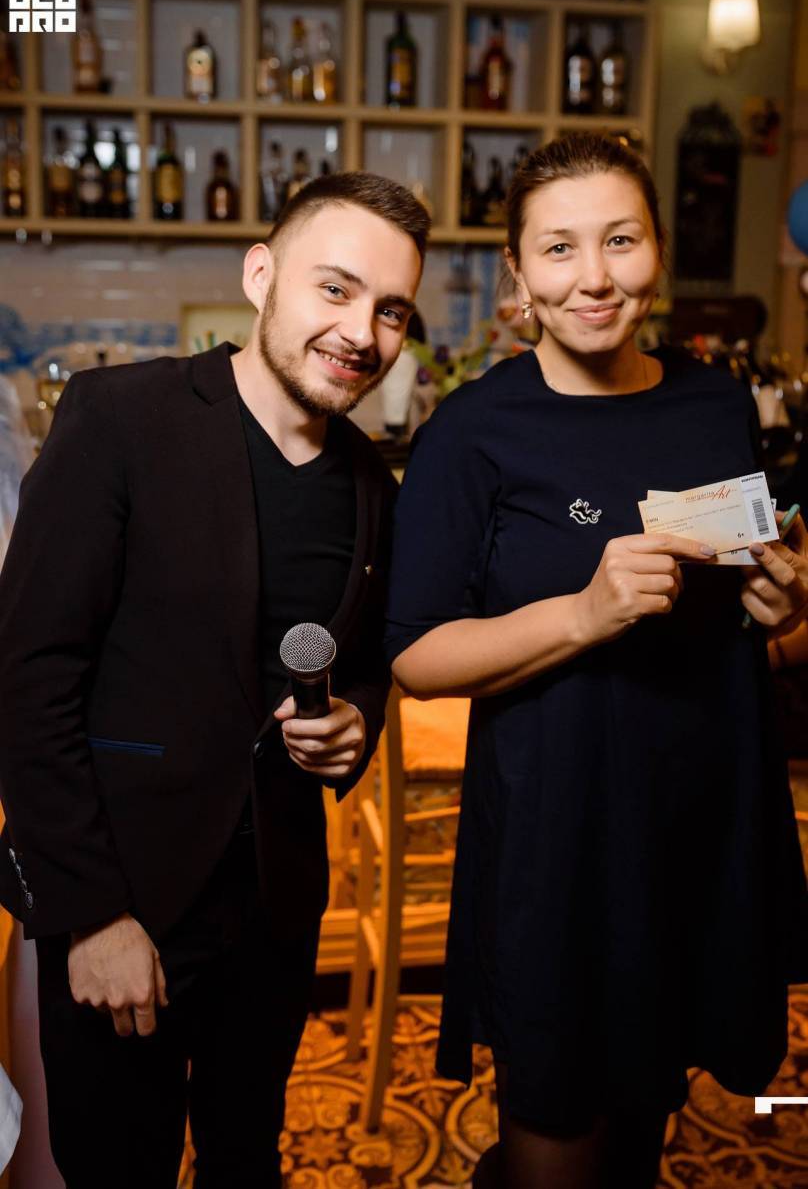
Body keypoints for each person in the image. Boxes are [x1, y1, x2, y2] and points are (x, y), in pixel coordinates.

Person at [384, 133, 808, 1189]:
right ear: (518, 275)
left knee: (644, 1116)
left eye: (620, 240)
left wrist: (784, 606)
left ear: (657, 248)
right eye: (560, 248)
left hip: (702, 817)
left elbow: (748, 603)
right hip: (559, 831)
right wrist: (583, 613)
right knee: (558, 1120)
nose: (595, 276)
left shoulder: (714, 402)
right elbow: (418, 657)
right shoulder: (473, 432)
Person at [0, 171, 428, 1188]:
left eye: (390, 310)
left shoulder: (373, 485)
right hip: (122, 902)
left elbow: (369, 668)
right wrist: (91, 917)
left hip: (273, 917)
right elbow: (27, 672)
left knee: (247, 1160)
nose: (360, 331)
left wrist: (356, 726)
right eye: (335, 289)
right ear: (261, 275)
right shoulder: (121, 417)